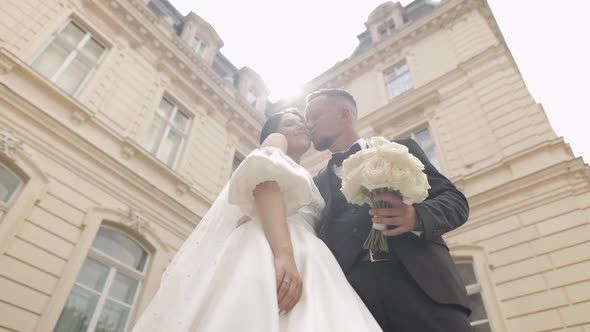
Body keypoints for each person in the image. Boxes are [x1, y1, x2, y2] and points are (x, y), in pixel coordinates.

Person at [130, 109, 381, 332]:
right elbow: (265, 183)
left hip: (309, 253)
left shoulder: (307, 175)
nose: (300, 125)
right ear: (273, 133)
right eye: (290, 122)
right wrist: (284, 254)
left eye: (301, 122)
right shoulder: (275, 142)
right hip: (277, 246)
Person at [305, 88, 472, 332]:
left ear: (344, 114)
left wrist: (416, 217)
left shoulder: (401, 150)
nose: (309, 125)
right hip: (355, 305)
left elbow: (455, 201)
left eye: (315, 116)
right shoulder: (315, 184)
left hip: (423, 288)